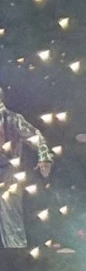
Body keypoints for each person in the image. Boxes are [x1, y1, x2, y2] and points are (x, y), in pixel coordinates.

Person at [0, 82, 53, 251]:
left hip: (8, 172)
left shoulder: (13, 119)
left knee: (11, 216)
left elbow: (37, 137)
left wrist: (44, 158)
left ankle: (16, 256)